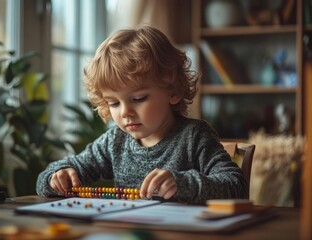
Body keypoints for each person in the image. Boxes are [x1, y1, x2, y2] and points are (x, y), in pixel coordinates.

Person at [36, 25, 248, 204]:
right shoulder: (114, 142)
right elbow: (49, 177)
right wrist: (58, 176)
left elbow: (236, 186)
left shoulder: (194, 137)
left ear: (172, 91)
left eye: (138, 99)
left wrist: (183, 183)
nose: (125, 112)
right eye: (113, 103)